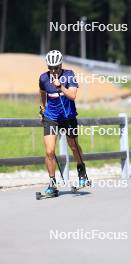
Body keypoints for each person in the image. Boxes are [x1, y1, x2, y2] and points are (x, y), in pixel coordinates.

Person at [39, 50, 87, 195]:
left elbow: (73, 96)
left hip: (68, 117)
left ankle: (82, 172)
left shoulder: (69, 75)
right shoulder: (43, 78)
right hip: (51, 118)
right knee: (49, 151)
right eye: (50, 68)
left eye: (56, 67)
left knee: (73, 145)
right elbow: (42, 93)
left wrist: (60, 86)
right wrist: (42, 109)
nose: (53, 70)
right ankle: (52, 184)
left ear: (61, 65)